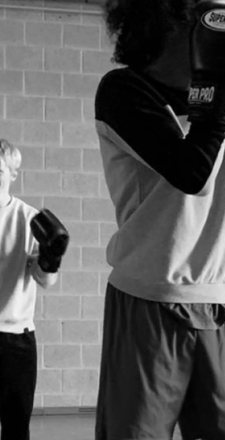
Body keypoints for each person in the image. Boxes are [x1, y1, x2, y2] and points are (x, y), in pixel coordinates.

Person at [94, 1, 225, 438]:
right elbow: (191, 171)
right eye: (201, 28)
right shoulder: (123, 91)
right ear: (170, 28)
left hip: (215, 302)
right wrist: (219, 89)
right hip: (149, 299)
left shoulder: (206, 106)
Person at [0, 139, 66, 440]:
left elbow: (44, 280)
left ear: (13, 174)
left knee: (16, 428)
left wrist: (51, 259)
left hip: (17, 340)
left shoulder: (29, 219)